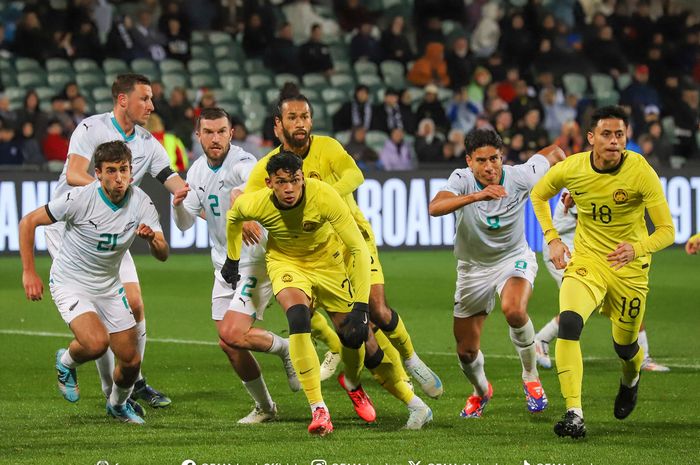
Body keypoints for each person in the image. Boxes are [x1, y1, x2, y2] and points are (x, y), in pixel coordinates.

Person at [246, 88, 444, 400]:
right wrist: (245, 215)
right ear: (278, 124)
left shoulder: (328, 147)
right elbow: (247, 197)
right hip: (315, 255)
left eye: (305, 117)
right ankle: (374, 384)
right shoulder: (272, 166)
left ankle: (410, 359)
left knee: (376, 310)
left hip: (353, 238)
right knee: (353, 330)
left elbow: (355, 175)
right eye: (292, 117)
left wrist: (322, 197)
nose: (300, 123)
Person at [227, 151, 432, 434]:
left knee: (358, 338)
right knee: (298, 318)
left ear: (302, 179)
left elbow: (359, 249)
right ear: (269, 183)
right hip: (287, 264)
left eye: (295, 181)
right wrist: (232, 260)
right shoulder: (256, 202)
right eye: (282, 182)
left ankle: (397, 397)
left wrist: (361, 307)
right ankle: (319, 410)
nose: (289, 188)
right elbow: (234, 216)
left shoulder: (323, 196)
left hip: (330, 266)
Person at [44, 74, 188, 412]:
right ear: (123, 100)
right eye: (145, 98)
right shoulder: (91, 129)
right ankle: (111, 391)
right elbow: (74, 174)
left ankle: (132, 381)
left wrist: (186, 191)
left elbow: (170, 178)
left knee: (134, 304)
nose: (151, 106)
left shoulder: (147, 142)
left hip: (113, 227)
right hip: (74, 228)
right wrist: (116, 191)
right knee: (98, 317)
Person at [530, 105, 675, 438]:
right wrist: (552, 239)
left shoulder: (640, 171)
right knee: (569, 323)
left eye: (620, 134)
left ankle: (630, 379)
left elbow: (667, 230)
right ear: (591, 137)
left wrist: (637, 248)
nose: (614, 141)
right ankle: (574, 413)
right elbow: (539, 195)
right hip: (589, 262)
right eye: (607, 134)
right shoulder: (574, 167)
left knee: (625, 348)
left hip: (630, 270)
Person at [20, 141, 169, 424]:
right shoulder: (80, 198)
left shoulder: (141, 202)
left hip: (109, 286)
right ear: (98, 174)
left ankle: (116, 405)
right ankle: (66, 362)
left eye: (123, 170)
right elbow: (28, 222)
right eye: (111, 171)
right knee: (96, 343)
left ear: (131, 170)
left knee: (131, 361)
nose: (119, 177)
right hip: (71, 282)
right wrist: (29, 272)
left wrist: (153, 240)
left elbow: (162, 254)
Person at [171, 108, 299, 423]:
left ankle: (285, 349)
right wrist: (177, 206)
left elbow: (252, 185)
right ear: (198, 135)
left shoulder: (244, 163)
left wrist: (244, 206)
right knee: (230, 345)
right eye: (209, 132)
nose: (216, 138)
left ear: (231, 133)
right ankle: (266, 408)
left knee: (232, 332)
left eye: (222, 132)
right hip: (223, 266)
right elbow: (186, 224)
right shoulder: (197, 171)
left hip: (254, 260)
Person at [428, 129, 565, 419]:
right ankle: (480, 391)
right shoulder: (461, 180)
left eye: (494, 159)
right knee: (466, 351)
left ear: (502, 157)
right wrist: (477, 196)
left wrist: (572, 190)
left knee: (514, 310)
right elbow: (435, 207)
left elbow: (554, 152)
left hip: (513, 259)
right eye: (481, 161)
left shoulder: (520, 176)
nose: (489, 167)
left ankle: (531, 377)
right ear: (469, 161)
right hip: (472, 269)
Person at [535, 192, 671, 373]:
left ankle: (642, 356)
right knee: (584, 302)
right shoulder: (584, 181)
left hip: (589, 249)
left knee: (628, 295)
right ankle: (541, 340)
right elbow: (590, 225)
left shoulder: (604, 178)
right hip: (566, 248)